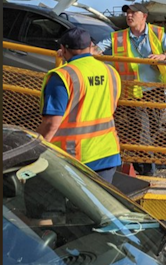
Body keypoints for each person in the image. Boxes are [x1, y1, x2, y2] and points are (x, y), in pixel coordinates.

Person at [96, 2, 166, 176]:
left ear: (144, 16)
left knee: (152, 128)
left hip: (154, 90)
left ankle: (140, 163)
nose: (129, 16)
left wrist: (163, 56)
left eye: (133, 13)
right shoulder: (117, 36)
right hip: (130, 91)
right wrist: (80, 52)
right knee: (140, 129)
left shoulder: (157, 33)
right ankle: (146, 168)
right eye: (127, 13)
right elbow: (96, 50)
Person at [38, 28, 122, 183]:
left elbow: (51, 124)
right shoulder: (110, 71)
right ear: (90, 46)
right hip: (107, 152)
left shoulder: (62, 76)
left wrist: (36, 151)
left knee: (51, 205)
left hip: (73, 157)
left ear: (63, 49)